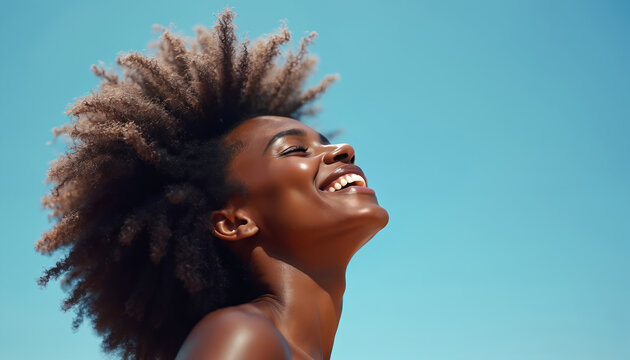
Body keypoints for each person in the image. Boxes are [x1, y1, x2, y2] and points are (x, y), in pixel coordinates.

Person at [36, 9, 388, 360]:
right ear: (235, 222)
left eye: (325, 142)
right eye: (295, 150)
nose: (343, 150)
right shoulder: (242, 337)